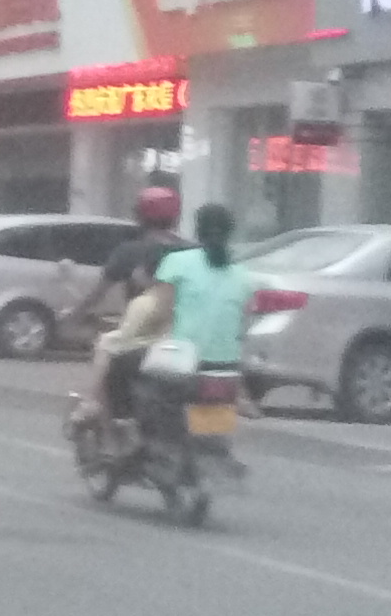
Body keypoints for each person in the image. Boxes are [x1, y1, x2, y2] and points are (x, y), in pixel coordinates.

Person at [150, 205, 262, 459]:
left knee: (146, 387)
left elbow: (161, 313)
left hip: (182, 361)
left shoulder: (176, 262)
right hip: (226, 366)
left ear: (197, 231)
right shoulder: (244, 277)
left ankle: (162, 447)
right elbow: (244, 325)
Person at [79, 184, 186, 424]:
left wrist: (74, 316)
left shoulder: (129, 253)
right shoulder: (193, 251)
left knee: (108, 350)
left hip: (145, 339)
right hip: (189, 339)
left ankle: (95, 407)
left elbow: (97, 294)